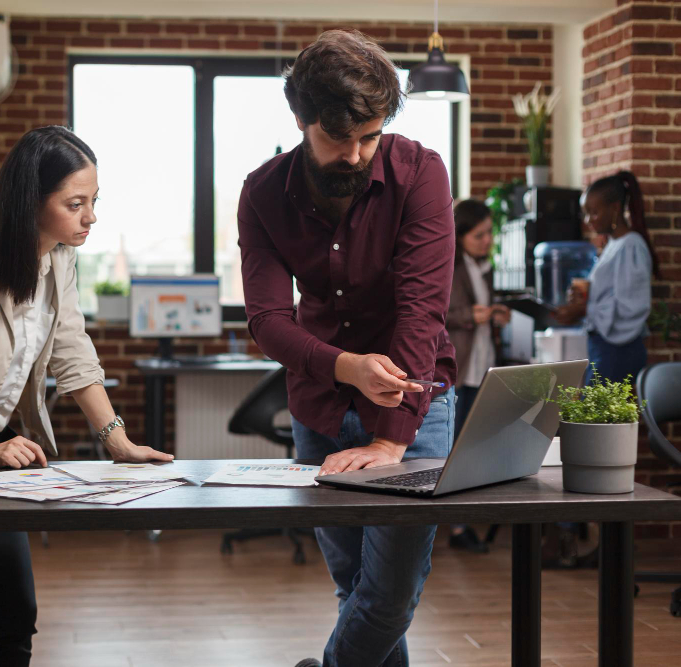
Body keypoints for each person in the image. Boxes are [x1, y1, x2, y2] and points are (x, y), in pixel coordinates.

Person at [0, 125, 172, 667]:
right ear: (30, 202)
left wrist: (118, 441)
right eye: (75, 203)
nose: (90, 217)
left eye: (94, 202)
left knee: (14, 619)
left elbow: (72, 348)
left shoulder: (58, 258)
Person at [238, 30, 457, 667]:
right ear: (301, 120)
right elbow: (268, 321)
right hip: (321, 409)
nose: (358, 155)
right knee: (353, 589)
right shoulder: (263, 193)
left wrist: (390, 441)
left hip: (414, 408)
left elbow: (422, 312)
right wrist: (346, 368)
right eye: (341, 140)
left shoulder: (421, 173)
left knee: (388, 596)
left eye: (371, 136)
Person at [444, 200, 510, 554]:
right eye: (479, 234)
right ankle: (457, 527)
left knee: (471, 446)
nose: (487, 240)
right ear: (461, 235)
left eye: (489, 233)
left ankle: (463, 521)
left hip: (483, 365)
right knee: (454, 447)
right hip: (458, 367)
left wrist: (496, 313)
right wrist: (472, 315)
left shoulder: (485, 269)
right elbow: (438, 314)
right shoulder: (449, 268)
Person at [555, 170, 658, 384]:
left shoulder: (631, 246)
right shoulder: (612, 245)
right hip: (603, 348)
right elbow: (607, 295)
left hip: (618, 352)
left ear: (615, 209)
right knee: (592, 415)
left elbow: (631, 307)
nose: (588, 220)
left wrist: (584, 309)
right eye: (585, 213)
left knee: (596, 416)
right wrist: (583, 297)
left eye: (593, 212)